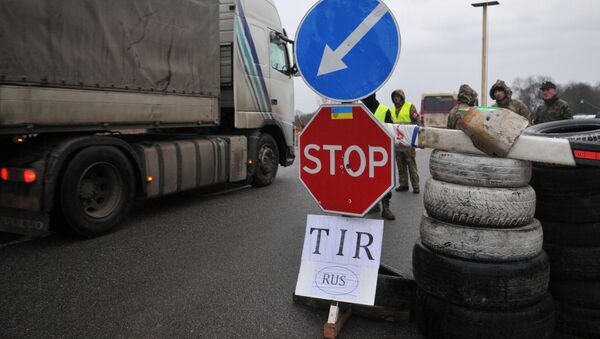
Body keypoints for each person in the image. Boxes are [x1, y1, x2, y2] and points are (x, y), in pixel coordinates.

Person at [361, 93, 395, 220]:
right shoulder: (360, 110)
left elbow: (392, 132)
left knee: (384, 180)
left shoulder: (384, 110)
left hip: (382, 153)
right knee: (369, 180)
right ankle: (374, 205)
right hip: (365, 152)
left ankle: (386, 208)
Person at [390, 89, 420, 194]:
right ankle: (403, 184)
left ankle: (416, 186)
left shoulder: (410, 106)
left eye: (398, 96)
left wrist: (414, 136)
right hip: (398, 142)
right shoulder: (392, 111)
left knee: (411, 163)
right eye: (394, 97)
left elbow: (417, 121)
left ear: (402, 97)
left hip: (408, 141)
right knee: (400, 164)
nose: (396, 98)